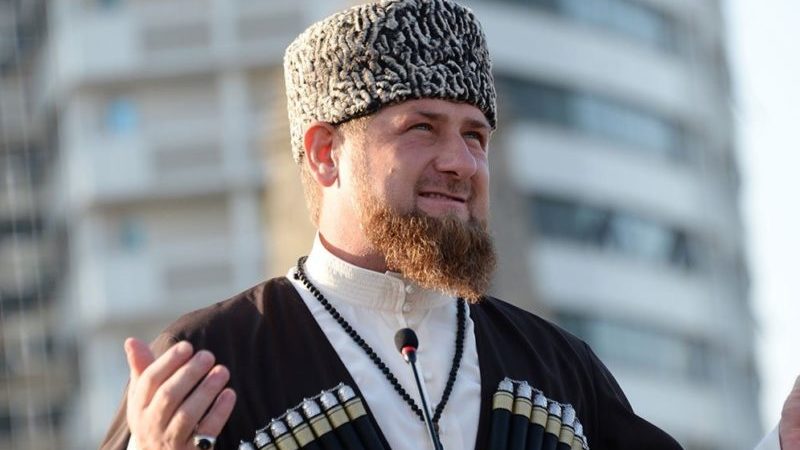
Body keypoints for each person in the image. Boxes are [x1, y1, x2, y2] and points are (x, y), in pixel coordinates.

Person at [100, 1, 796, 449]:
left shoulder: (556, 368)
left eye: (475, 136)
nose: (461, 162)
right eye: (421, 128)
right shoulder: (209, 362)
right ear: (324, 153)